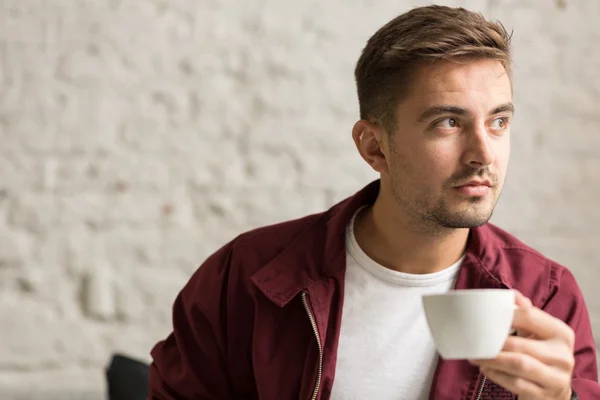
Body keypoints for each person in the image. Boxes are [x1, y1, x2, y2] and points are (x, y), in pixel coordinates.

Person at [148, 5, 599, 400]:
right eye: (448, 122)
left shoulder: (547, 295)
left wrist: (563, 399)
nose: (484, 152)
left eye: (498, 121)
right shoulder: (246, 279)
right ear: (373, 147)